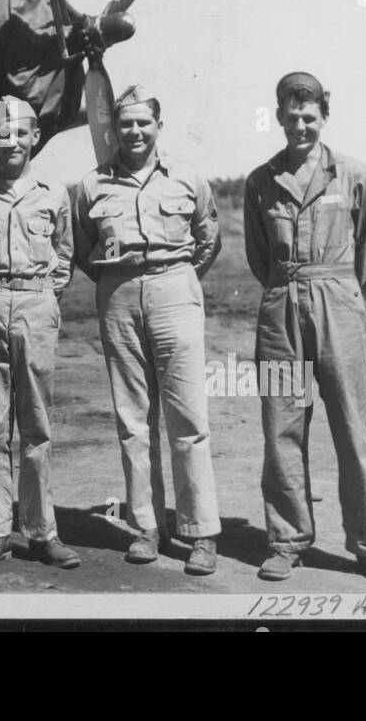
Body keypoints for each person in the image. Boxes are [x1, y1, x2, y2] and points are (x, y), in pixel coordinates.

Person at [243, 72, 366, 584]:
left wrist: (344, 299)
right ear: (279, 118)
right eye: (292, 118)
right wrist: (288, 290)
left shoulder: (352, 173)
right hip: (281, 309)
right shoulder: (260, 181)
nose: (301, 126)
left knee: (353, 428)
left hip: (339, 306)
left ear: (324, 117)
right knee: (281, 426)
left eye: (310, 117)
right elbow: (259, 257)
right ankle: (286, 541)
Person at [72, 85, 222, 577]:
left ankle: (199, 534)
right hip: (117, 296)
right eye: (125, 124)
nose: (134, 132)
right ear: (113, 129)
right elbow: (82, 246)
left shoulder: (187, 178)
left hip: (175, 290)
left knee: (187, 420)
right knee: (133, 420)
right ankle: (145, 527)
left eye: (144, 124)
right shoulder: (92, 186)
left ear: (159, 126)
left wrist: (172, 279)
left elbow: (207, 238)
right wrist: (117, 279)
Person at [0, 97, 79, 571]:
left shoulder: (53, 191)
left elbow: (64, 256)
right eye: (3, 133)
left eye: (20, 133)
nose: (11, 141)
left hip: (36, 300)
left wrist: (43, 295)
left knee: (36, 423)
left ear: (34, 138)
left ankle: (43, 531)